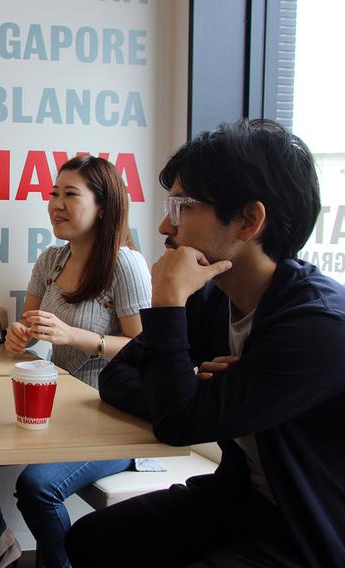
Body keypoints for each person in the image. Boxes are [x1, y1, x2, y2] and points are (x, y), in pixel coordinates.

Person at [65, 119, 345, 567]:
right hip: (240, 501)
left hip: (309, 527)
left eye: (182, 207)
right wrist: (195, 386)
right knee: (91, 539)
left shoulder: (319, 328)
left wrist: (169, 301)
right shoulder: (216, 301)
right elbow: (119, 377)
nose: (163, 225)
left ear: (248, 221)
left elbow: (179, 423)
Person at [0, 156, 152, 568]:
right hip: (62, 407)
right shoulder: (50, 261)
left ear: (103, 205)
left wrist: (75, 336)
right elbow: (26, 330)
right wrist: (19, 337)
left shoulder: (124, 264)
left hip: (119, 418)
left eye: (70, 195)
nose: (56, 203)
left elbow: (147, 349)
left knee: (37, 487)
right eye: (54, 193)